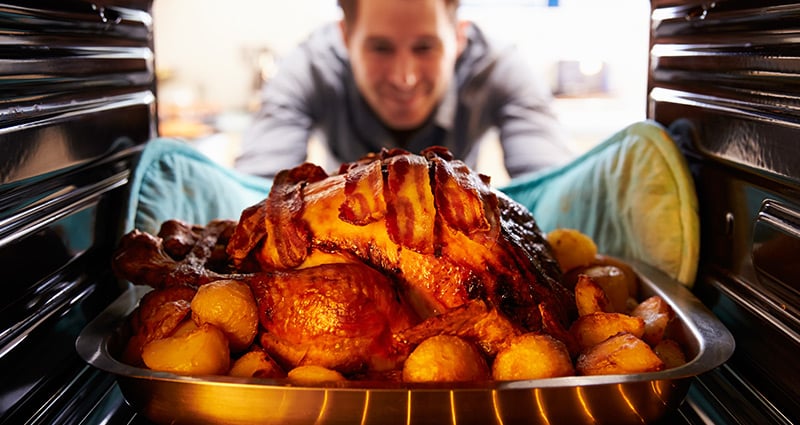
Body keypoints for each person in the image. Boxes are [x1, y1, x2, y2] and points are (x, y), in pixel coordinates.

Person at [235, 0, 576, 180]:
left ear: (458, 37)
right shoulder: (309, 68)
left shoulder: (497, 68)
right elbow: (255, 188)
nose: (405, 78)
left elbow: (551, 183)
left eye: (425, 47)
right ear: (345, 38)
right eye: (380, 48)